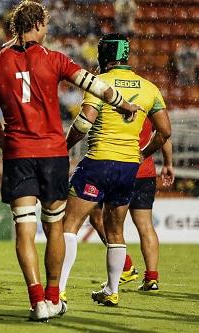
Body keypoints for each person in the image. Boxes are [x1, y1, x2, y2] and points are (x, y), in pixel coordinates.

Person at [0, 1, 141, 321]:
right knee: (54, 226)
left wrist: (9, 145)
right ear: (39, 24)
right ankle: (54, 297)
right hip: (53, 154)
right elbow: (96, 85)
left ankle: (37, 300)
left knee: (23, 229)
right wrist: (124, 105)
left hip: (19, 155)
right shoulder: (54, 59)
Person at [59, 33, 171, 307]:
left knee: (68, 225)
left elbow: (86, 121)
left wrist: (63, 146)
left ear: (104, 56)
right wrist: (143, 152)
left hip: (98, 161)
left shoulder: (100, 82)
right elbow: (165, 131)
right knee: (116, 230)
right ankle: (111, 290)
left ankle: (58, 290)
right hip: (129, 167)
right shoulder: (149, 88)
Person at [86, 119, 174, 292]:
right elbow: (164, 133)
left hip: (115, 168)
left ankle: (126, 267)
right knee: (145, 225)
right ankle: (151, 278)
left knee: (103, 220)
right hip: (144, 172)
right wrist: (168, 163)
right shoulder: (149, 99)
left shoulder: (112, 98)